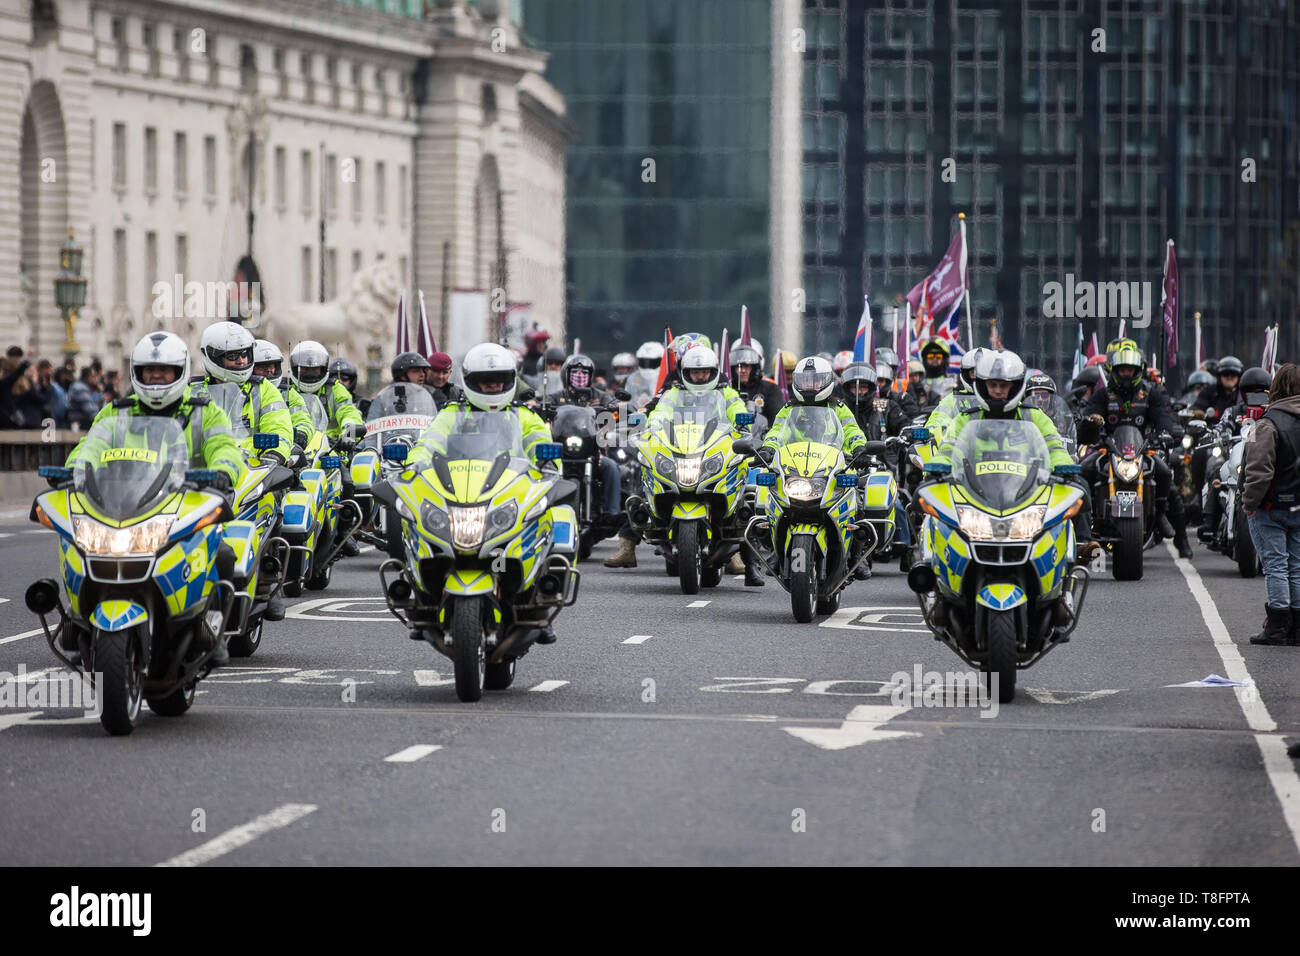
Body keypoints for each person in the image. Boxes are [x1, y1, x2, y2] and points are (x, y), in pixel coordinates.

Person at [67, 332, 244, 665]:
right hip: (123, 506)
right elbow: (89, 447)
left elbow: (225, 449)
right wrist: (74, 469)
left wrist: (222, 472)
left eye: (165, 371)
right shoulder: (115, 413)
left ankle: (210, 626)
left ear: (180, 372)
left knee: (222, 554)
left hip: (186, 506)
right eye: (150, 371)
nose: (157, 377)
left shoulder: (205, 412)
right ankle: (76, 622)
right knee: (78, 547)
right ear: (138, 372)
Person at [933, 349, 1097, 561]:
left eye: (1004, 385)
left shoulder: (1034, 416)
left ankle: (1072, 551)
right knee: (937, 518)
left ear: (1016, 386)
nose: (998, 391)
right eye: (993, 385)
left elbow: (1054, 446)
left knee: (1072, 495)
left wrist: (1063, 464)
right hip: (975, 492)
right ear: (983, 385)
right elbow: (949, 447)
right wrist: (937, 463)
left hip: (1027, 491)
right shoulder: (966, 419)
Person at [604, 345, 750, 575]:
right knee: (647, 481)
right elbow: (661, 413)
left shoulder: (725, 392)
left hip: (712, 451)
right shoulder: (674, 393)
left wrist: (744, 425)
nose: (700, 376)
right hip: (680, 451)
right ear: (686, 372)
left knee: (744, 490)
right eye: (694, 372)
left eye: (704, 372)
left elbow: (738, 413)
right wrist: (650, 427)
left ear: (713, 371)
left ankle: (741, 554)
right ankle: (631, 543)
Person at [759, 356, 873, 577]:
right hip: (796, 467)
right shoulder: (789, 409)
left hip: (832, 465)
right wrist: (768, 449)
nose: (811, 386)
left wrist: (860, 448)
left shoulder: (839, 408)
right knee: (767, 494)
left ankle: (858, 554)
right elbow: (776, 433)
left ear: (827, 381)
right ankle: (776, 548)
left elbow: (852, 431)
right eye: (806, 381)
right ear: (797, 382)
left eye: (816, 381)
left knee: (857, 495)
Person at [1080, 338, 1190, 558]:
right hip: (1109, 450)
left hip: (1143, 451)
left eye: (1130, 369)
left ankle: (1170, 526)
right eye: (1122, 370)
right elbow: (1089, 415)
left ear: (1138, 370)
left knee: (1165, 473)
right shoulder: (1103, 395)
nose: (1126, 374)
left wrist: (1167, 433)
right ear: (1114, 370)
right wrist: (1090, 424)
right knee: (1081, 474)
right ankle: (1085, 533)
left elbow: (1163, 418)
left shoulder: (1151, 394)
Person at [1241, 363, 1300, 645]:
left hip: (1271, 507)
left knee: (1275, 565)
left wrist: (1249, 503)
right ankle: (1298, 628)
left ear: (1275, 388)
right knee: (1298, 566)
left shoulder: (1266, 422)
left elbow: (1257, 470)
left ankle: (1277, 626)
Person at [290, 340, 366, 555]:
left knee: (348, 482)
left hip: (330, 449)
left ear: (324, 369)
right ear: (295, 369)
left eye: (315, 370)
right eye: (305, 370)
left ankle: (344, 531)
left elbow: (349, 413)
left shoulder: (336, 389)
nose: (310, 374)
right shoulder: (286, 390)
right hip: (296, 447)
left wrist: (349, 435)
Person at [198, 322, 292, 463]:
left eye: (244, 354)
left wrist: (275, 453)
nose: (241, 361)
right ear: (214, 357)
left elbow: (279, 425)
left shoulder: (262, 388)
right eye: (232, 356)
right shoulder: (195, 392)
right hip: (205, 473)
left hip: (255, 469)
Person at [1201, 366, 1273, 544]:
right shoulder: (1233, 412)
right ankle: (1209, 524)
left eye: (1260, 393)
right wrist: (1220, 434)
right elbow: (1220, 427)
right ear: (1243, 393)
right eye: (1251, 393)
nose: (1255, 398)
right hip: (1237, 457)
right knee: (1217, 473)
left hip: (1265, 459)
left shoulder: (1273, 411)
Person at [556, 353, 623, 523]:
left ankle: (612, 513)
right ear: (566, 374)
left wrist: (621, 407)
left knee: (611, 467)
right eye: (575, 372)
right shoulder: (557, 397)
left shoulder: (601, 396)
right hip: (562, 449)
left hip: (593, 450)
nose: (580, 376)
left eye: (584, 372)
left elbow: (616, 406)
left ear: (591, 375)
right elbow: (541, 404)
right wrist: (535, 405)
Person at [253, 339, 313, 451]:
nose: (269, 371)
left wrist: (302, 433)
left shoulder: (288, 393)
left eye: (271, 366)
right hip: (245, 452)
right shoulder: (242, 392)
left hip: (281, 450)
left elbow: (303, 419)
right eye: (262, 367)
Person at [925, 348, 985, 444]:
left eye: (983, 372)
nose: (979, 377)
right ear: (966, 374)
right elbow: (937, 422)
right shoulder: (953, 399)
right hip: (960, 451)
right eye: (974, 373)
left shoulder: (1004, 399)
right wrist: (932, 433)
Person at [730, 341, 784, 427]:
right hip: (731, 437)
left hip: (761, 438)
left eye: (747, 366)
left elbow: (778, 420)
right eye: (739, 366)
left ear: (754, 368)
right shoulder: (728, 389)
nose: (743, 370)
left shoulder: (770, 388)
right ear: (733, 369)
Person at [625, 341, 663, 406]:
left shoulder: (666, 377)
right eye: (644, 362)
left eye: (653, 362)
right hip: (636, 413)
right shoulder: (632, 378)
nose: (648, 366)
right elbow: (625, 401)